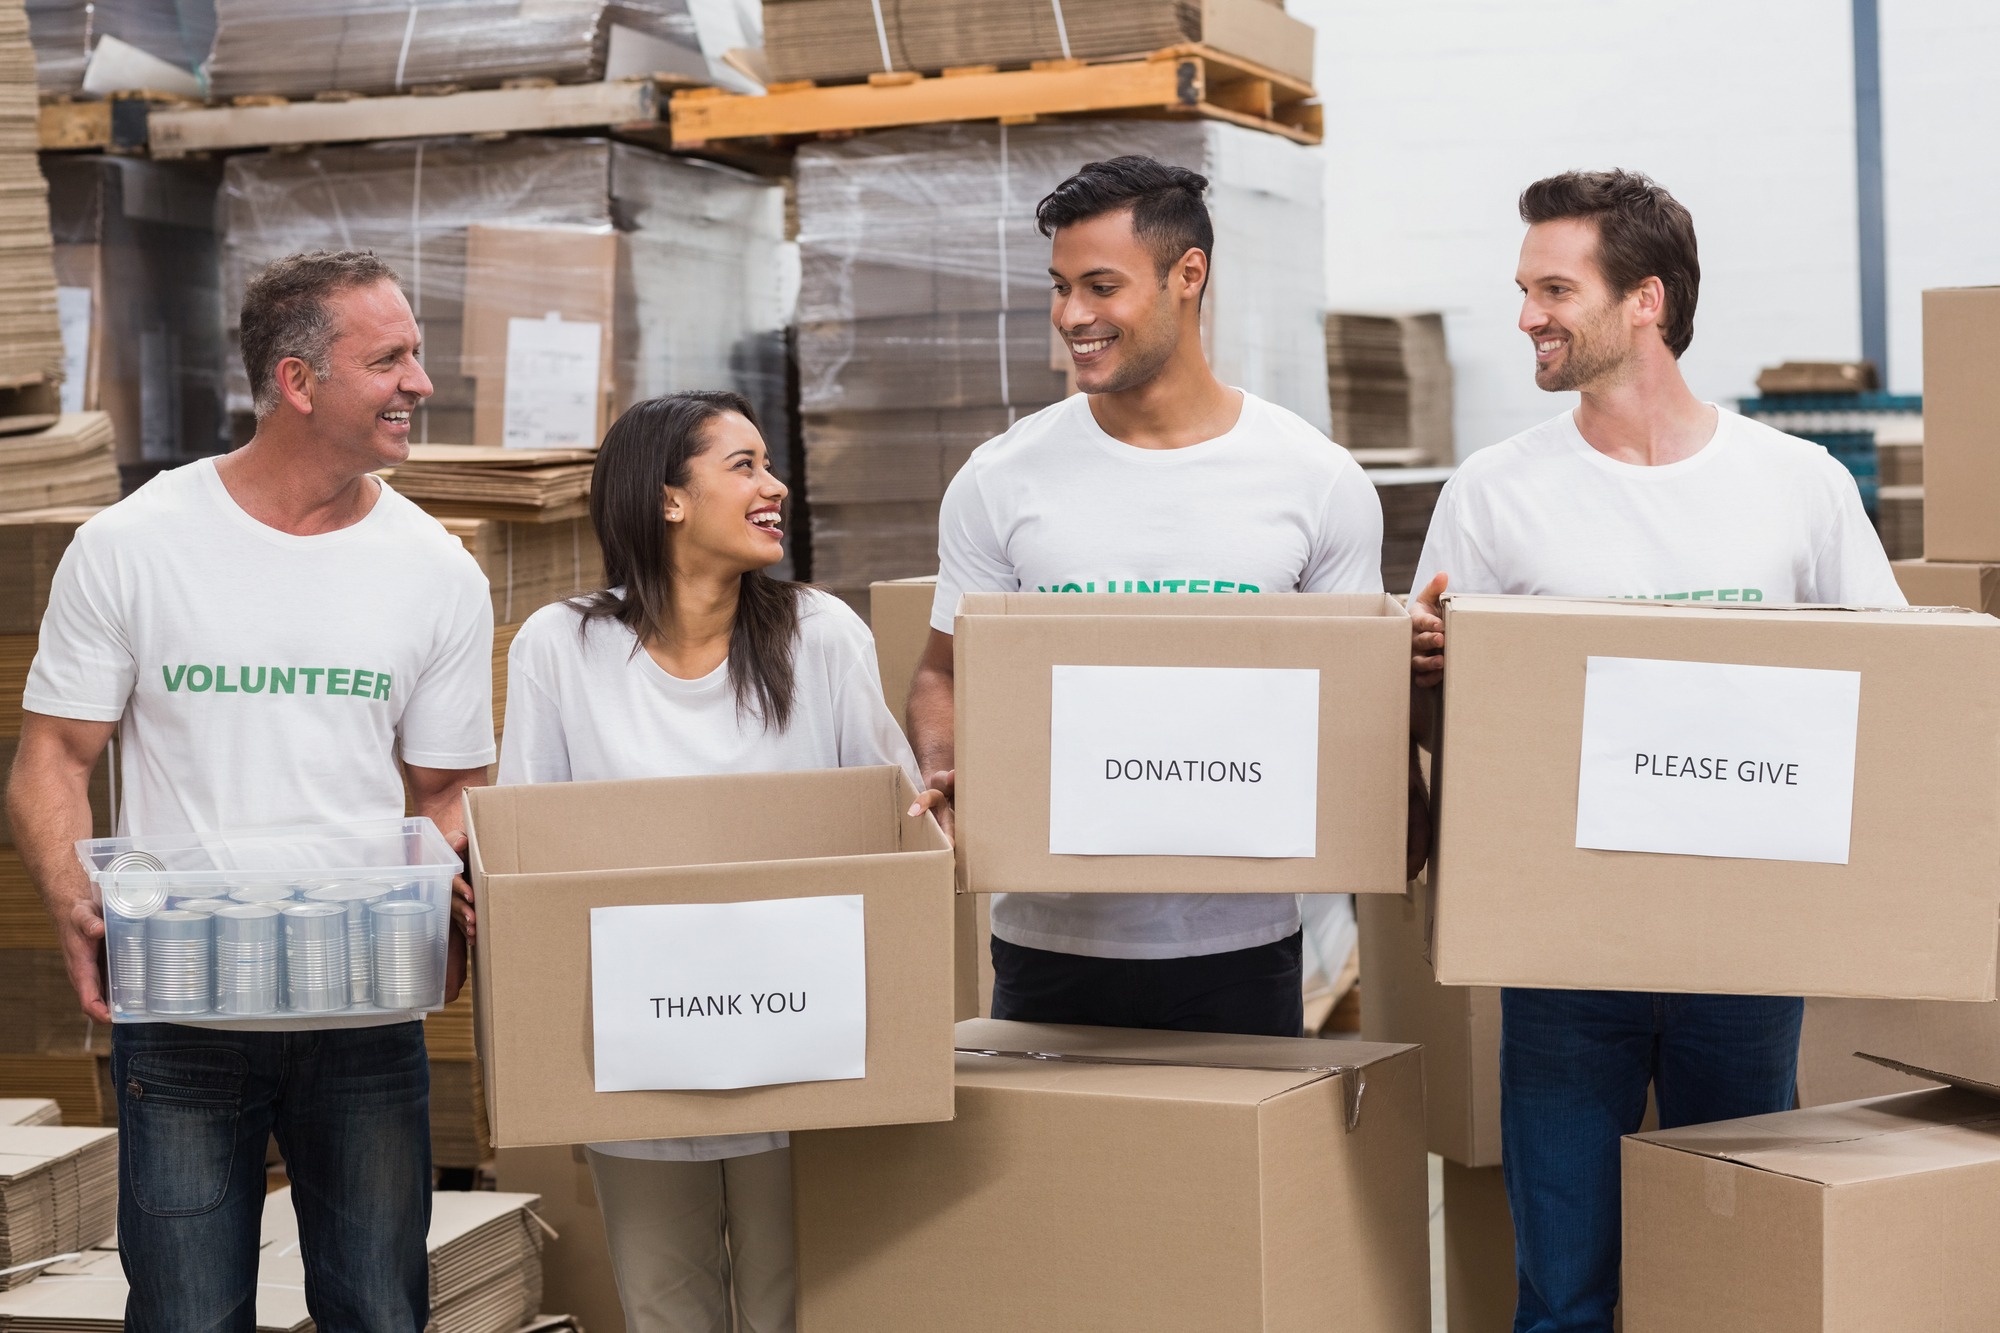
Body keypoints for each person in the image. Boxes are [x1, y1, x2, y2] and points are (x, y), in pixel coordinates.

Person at [1407, 170, 1904, 1333]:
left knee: (1735, 1282)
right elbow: (1434, 711)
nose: (1526, 312)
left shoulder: (1795, 486)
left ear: (1643, 299)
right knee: (1564, 1287)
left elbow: (1891, 689)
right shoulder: (1492, 494)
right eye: (1522, 287)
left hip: (1742, 950)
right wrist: (1423, 666)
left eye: (1551, 287)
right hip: (1563, 957)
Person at [7, 251, 494, 1329]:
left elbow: (450, 783)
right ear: (297, 380)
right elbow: (53, 754)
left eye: (416, 354)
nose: (420, 382)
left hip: (363, 1006)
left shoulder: (435, 568)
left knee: (377, 1306)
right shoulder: (134, 545)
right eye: (391, 359)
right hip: (183, 1001)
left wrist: (452, 878)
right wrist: (67, 892)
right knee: (187, 1312)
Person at [904, 155, 1387, 1038]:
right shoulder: (1002, 476)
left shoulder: (1315, 479)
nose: (1071, 317)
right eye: (1059, 288)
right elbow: (941, 673)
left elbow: (1355, 707)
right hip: (1049, 940)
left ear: (1188, 276)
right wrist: (949, 768)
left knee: (1228, 1183)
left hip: (1241, 942)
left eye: (1100, 285)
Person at [497, 391, 918, 1333]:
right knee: (665, 1310)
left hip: (805, 1048)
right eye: (745, 465)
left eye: (771, 465)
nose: (775, 487)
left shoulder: (821, 635)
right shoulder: (561, 651)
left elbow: (896, 829)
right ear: (667, 499)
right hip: (641, 1053)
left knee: (795, 1308)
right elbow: (524, 863)